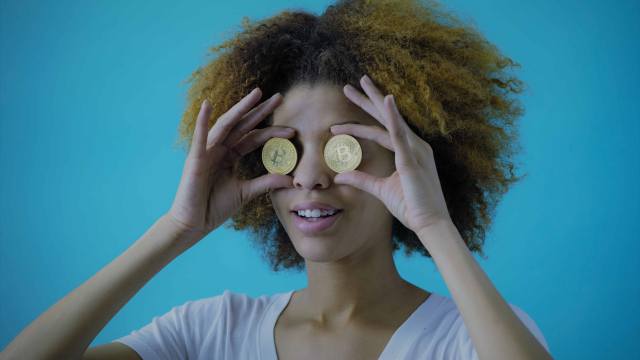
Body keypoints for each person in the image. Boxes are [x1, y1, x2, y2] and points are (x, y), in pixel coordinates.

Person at [1, 0, 553, 359]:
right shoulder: (209, 331)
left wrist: (434, 223)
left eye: (347, 148)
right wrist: (177, 227)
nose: (310, 175)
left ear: (415, 161)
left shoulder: (473, 336)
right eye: (284, 148)